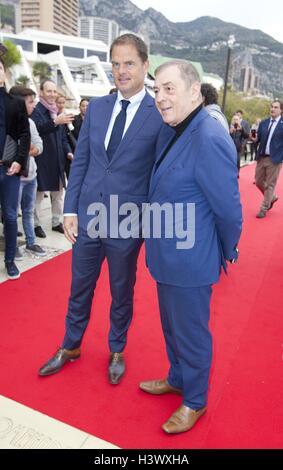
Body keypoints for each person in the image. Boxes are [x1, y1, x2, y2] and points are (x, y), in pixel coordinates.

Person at [38, 34, 169, 384]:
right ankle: (71, 345)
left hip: (127, 222)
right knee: (79, 286)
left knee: (121, 290)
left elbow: (163, 172)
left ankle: (116, 349)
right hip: (89, 217)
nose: (121, 71)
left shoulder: (158, 114)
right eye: (115, 63)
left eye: (128, 63)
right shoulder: (96, 107)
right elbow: (81, 162)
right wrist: (70, 210)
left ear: (144, 65)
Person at [139, 60, 242, 434]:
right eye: (157, 89)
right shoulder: (171, 130)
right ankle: (178, 377)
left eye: (169, 89)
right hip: (164, 256)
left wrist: (227, 250)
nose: (160, 97)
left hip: (192, 261)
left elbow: (229, 209)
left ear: (194, 92)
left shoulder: (210, 136)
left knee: (192, 333)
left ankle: (195, 401)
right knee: (171, 327)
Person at [31, 79, 74, 238]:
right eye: (49, 91)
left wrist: (68, 152)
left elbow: (63, 138)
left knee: (58, 194)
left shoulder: (56, 111)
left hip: (58, 160)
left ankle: (56, 221)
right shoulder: (36, 111)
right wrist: (55, 122)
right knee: (39, 195)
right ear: (41, 92)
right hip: (42, 160)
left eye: (54, 91)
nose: (52, 94)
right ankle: (35, 224)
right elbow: (38, 129)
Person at [0, 58, 30, 279]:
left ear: (5, 73)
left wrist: (19, 161)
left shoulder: (15, 103)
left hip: (8, 169)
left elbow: (24, 135)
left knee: (11, 217)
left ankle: (10, 260)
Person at [9, 86, 46, 258]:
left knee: (28, 211)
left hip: (31, 175)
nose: (33, 105)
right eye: (30, 102)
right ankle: (12, 246)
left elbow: (39, 145)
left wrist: (27, 150)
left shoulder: (30, 123)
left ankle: (31, 242)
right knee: (12, 213)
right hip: (13, 176)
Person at [251, 100, 283, 218]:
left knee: (270, 184)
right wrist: (254, 138)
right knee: (258, 181)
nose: (273, 109)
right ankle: (272, 197)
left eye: (276, 107)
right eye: (272, 107)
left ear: (281, 110)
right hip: (262, 157)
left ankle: (264, 208)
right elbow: (257, 139)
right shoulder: (264, 123)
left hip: (275, 159)